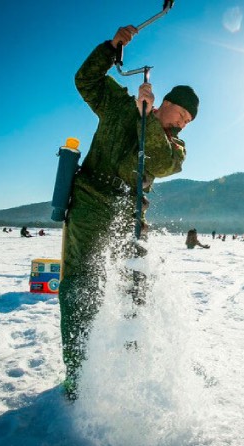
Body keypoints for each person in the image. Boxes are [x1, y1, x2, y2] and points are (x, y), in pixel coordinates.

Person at [58, 24, 199, 401]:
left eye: (188, 120)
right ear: (167, 101)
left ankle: (127, 369)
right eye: (181, 113)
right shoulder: (120, 104)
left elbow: (157, 160)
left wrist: (149, 119)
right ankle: (77, 376)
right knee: (79, 289)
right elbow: (85, 80)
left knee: (134, 292)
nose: (183, 122)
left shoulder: (175, 147)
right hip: (89, 204)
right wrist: (113, 47)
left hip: (129, 217)